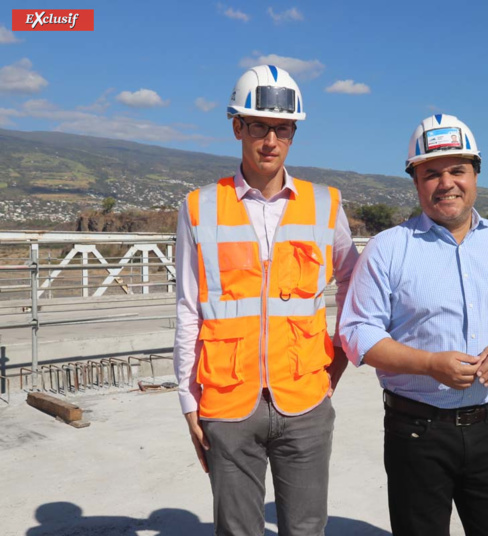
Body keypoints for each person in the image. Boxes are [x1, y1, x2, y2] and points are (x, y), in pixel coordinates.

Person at [340, 114, 488, 536]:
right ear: (415, 182)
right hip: (416, 431)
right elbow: (356, 334)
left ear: (476, 175)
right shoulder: (388, 249)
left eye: (458, 170)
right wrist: (429, 364)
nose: (446, 183)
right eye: (432, 173)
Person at [172, 64, 358, 536]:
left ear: (293, 133)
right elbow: (189, 309)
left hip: (306, 398)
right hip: (228, 401)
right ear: (238, 127)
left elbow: (357, 285)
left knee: (307, 528)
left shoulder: (325, 204)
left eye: (282, 129)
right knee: (237, 530)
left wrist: (338, 358)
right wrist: (187, 400)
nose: (270, 141)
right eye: (259, 127)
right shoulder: (199, 208)